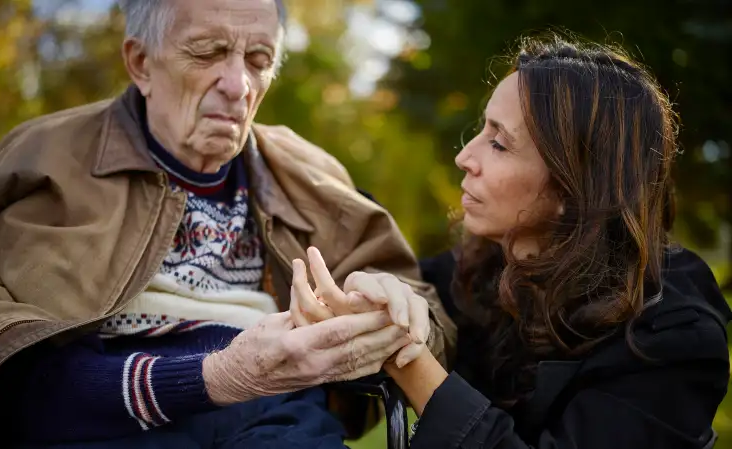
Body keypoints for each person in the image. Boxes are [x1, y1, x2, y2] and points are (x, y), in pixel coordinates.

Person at [0, 0, 456, 448]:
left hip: (275, 415)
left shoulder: (315, 175)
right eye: (207, 52)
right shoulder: (43, 160)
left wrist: (390, 305)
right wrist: (218, 377)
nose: (238, 85)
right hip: (105, 414)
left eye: (259, 59)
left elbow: (427, 320)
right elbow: (10, 370)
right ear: (140, 62)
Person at [291, 33, 732, 448]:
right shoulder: (482, 269)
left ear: (574, 189)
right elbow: (391, 282)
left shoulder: (672, 337)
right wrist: (364, 296)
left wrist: (406, 353)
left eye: (499, 143)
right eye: (481, 130)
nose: (464, 157)